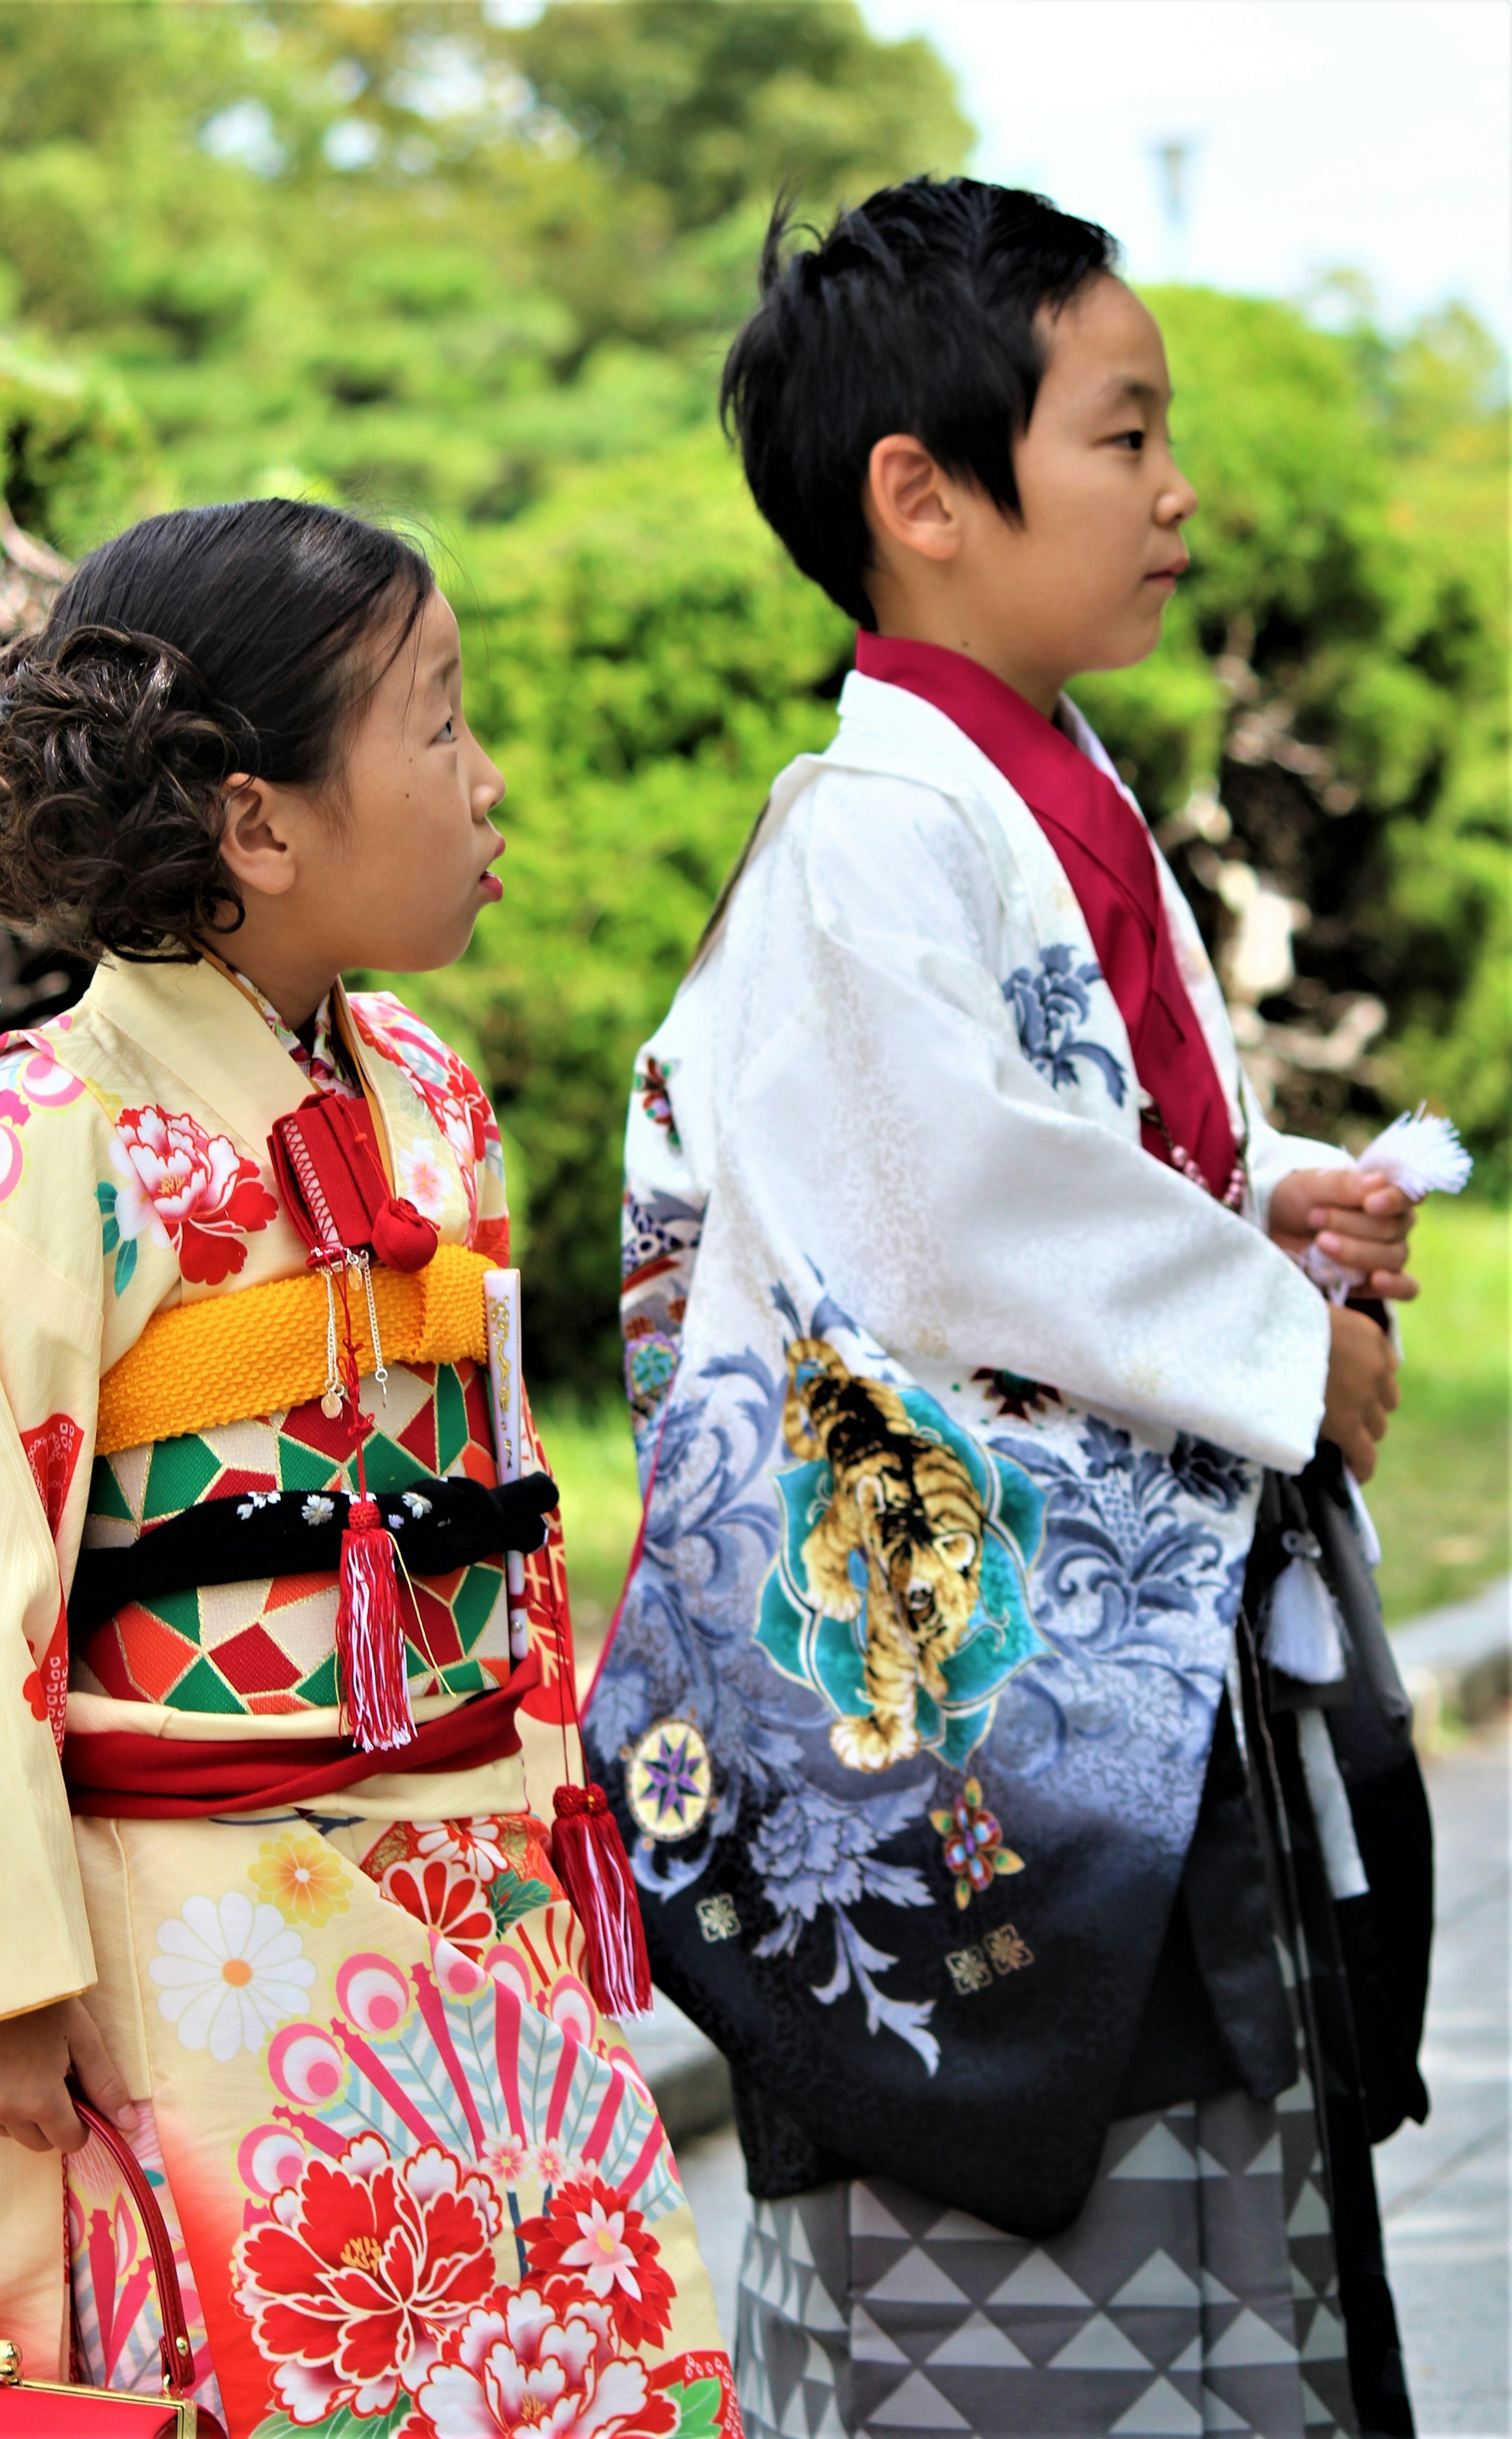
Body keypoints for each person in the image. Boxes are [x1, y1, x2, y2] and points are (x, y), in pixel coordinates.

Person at [590, 180, 1432, 2439]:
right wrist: (1283, 1351)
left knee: (1210, 2255)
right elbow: (944, 1203)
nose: (1178, 495)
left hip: (1121, 1737)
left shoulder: (1047, 795)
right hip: (974, 1749)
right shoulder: (871, 826)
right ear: (924, 495)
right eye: (1123, 435)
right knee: (1031, 2301)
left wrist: (1270, 1212)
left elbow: (1078, 1157)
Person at [0, 500, 737, 2437]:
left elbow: (497, 1508)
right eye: (441, 724)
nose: (488, 775)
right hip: (200, 1923)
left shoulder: (429, 1093)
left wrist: (548, 1801)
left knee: (579, 2356)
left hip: (470, 1874)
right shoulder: (55, 1132)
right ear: (259, 824)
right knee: (301, 2358)